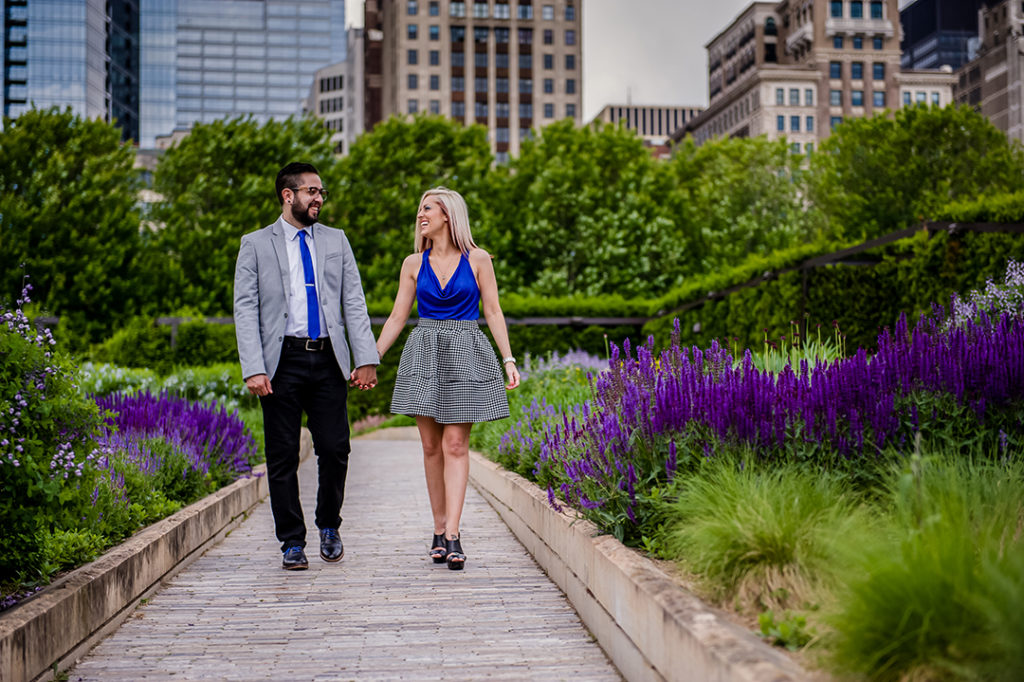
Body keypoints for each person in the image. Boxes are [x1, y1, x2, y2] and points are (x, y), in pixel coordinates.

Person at [233, 161, 379, 571]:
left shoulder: (336, 241)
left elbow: (354, 301)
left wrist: (365, 357)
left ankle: (329, 525)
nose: (318, 199)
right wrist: (253, 367)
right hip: (281, 362)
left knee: (335, 448)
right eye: (312, 191)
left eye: (321, 193)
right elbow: (245, 309)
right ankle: (291, 542)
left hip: (329, 358)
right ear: (288, 195)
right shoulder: (255, 244)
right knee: (282, 456)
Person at [375, 187, 520, 571]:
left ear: (448, 215)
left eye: (427, 209)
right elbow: (396, 317)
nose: (421, 215)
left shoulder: (478, 259)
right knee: (430, 447)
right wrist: (370, 359)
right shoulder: (412, 263)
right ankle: (438, 529)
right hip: (424, 350)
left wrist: (508, 358)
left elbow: (493, 310)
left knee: (456, 444)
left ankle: (453, 534)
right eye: (420, 209)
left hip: (466, 350)